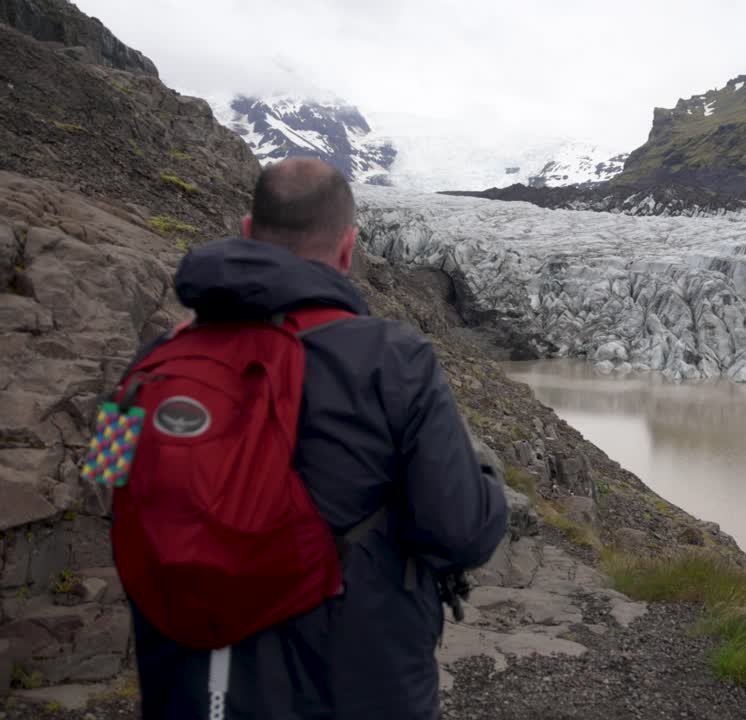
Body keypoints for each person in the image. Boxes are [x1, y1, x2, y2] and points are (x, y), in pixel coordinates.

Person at [128, 158, 509, 719]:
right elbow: (455, 531)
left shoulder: (154, 359)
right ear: (348, 248)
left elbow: (108, 483)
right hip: (355, 686)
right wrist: (489, 486)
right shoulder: (393, 360)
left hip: (187, 682)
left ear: (247, 231)